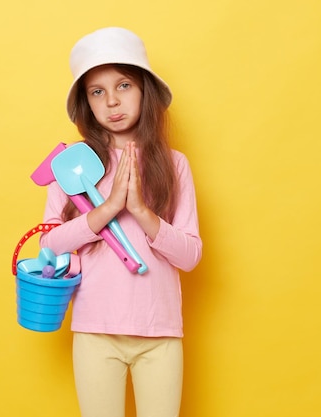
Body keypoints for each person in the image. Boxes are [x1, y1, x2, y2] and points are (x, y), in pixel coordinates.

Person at [40, 27, 202, 417]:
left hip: (160, 335)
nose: (112, 101)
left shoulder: (174, 165)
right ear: (87, 104)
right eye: (97, 91)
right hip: (95, 332)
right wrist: (108, 208)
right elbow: (50, 247)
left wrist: (142, 212)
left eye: (124, 85)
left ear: (144, 90)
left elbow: (191, 256)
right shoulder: (70, 167)